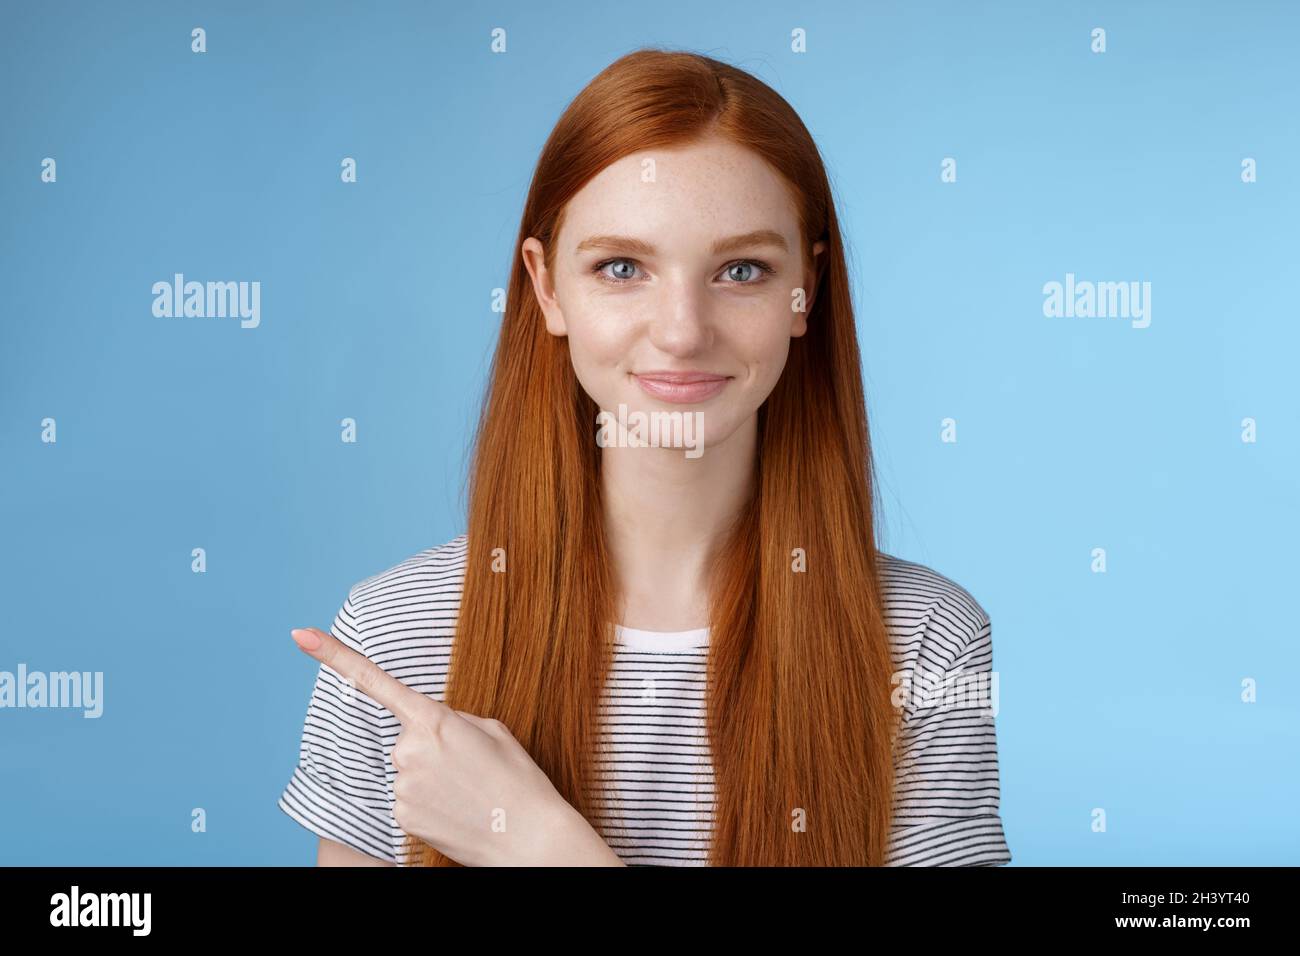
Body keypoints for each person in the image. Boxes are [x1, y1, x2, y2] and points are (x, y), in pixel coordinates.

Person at [278, 47, 1011, 867]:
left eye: (742, 270)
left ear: (805, 292)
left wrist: (541, 847)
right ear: (547, 287)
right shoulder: (398, 636)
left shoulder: (926, 641)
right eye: (621, 267)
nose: (682, 330)